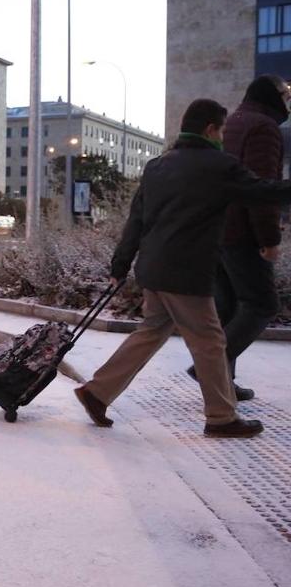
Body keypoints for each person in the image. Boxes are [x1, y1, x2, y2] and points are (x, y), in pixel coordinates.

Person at [73, 98, 291, 438]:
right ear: (210, 129)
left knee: (150, 333)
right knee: (210, 341)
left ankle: (97, 392)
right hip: (186, 272)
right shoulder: (219, 166)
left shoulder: (158, 165)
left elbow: (137, 219)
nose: (223, 136)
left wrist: (121, 262)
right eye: (221, 129)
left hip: (154, 269)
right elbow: (264, 192)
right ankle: (221, 418)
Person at [201, 75, 291, 400]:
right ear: (273, 96)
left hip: (217, 231)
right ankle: (211, 367)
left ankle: (221, 382)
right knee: (262, 303)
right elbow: (260, 186)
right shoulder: (264, 127)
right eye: (287, 93)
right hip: (242, 231)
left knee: (227, 307)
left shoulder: (234, 122)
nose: (289, 100)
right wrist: (269, 238)